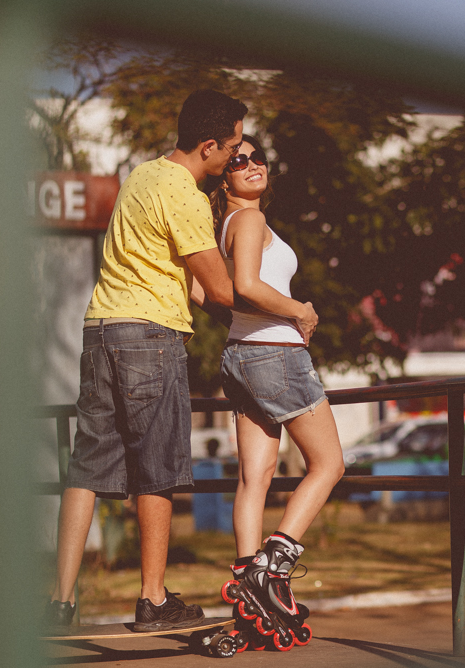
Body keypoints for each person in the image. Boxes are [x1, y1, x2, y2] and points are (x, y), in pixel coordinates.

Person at [44, 89, 248, 631]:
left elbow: (191, 285)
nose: (236, 156)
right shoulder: (185, 194)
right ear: (208, 146)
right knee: (156, 470)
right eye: (232, 148)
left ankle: (60, 603)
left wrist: (229, 316)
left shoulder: (141, 176)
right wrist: (279, 315)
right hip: (150, 337)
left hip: (100, 330)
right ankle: (153, 599)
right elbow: (221, 289)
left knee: (86, 468)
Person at [207, 134, 344, 645]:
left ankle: (249, 586)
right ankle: (272, 566)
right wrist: (300, 311)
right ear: (225, 178)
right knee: (329, 465)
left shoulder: (227, 225)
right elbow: (246, 285)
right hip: (275, 356)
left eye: (258, 157)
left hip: (240, 355)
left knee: (255, 477)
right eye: (238, 160)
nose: (252, 164)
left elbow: (207, 291)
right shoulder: (248, 220)